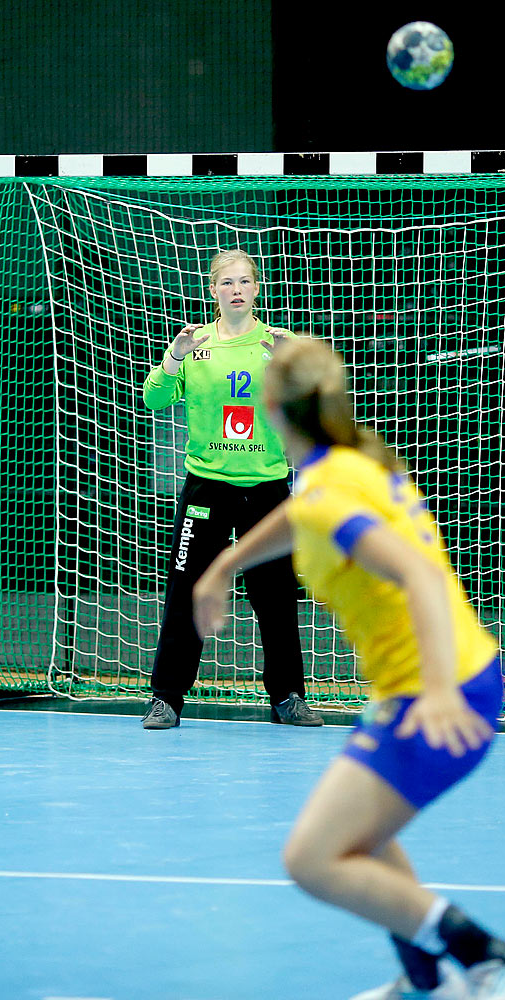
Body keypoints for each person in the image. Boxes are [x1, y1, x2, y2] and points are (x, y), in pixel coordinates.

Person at [192, 338, 505, 1000]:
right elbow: (302, 516)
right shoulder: (348, 465)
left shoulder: (329, 491)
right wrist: (221, 568)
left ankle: (492, 958)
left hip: (438, 689)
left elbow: (415, 571)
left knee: (310, 859)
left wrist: (440, 692)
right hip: (449, 676)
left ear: (269, 407)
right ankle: (425, 976)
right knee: (366, 835)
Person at [139, 249, 322, 730]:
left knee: (277, 594)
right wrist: (174, 357)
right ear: (214, 290)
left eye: (245, 281)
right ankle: (167, 699)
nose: (236, 289)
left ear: (257, 288)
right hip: (208, 486)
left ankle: (288, 697)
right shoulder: (193, 347)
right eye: (227, 283)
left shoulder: (278, 344)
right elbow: (154, 399)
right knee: (188, 590)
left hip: (266, 488)